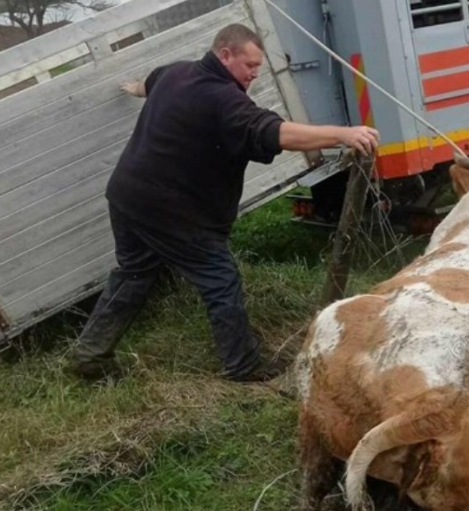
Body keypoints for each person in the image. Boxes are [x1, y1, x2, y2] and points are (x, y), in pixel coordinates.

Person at [67, 23, 379, 382]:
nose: (254, 75)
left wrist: (131, 88)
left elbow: (146, 85)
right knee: (220, 280)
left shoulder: (175, 73)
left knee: (134, 273)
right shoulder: (224, 99)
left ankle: (90, 355)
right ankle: (243, 366)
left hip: (127, 196)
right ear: (225, 54)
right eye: (249, 66)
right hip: (171, 211)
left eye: (258, 68)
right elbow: (274, 132)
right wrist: (343, 133)